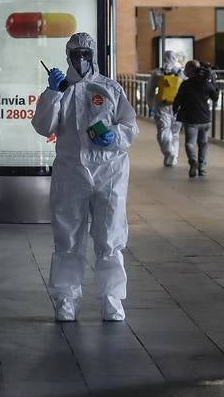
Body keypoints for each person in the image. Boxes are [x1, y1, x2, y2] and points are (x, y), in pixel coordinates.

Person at [31, 32, 138, 322]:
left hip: (110, 171)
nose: (81, 59)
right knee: (67, 238)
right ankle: (66, 298)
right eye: (76, 54)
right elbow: (43, 126)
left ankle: (111, 298)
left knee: (110, 236)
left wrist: (114, 136)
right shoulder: (60, 91)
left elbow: (130, 125)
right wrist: (52, 94)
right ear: (68, 57)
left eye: (86, 54)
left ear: (94, 57)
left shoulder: (111, 88)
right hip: (71, 171)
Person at [173, 60, 219, 178]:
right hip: (205, 119)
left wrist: (175, 110)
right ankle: (202, 167)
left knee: (190, 144)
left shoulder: (186, 84)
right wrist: (213, 82)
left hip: (190, 120)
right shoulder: (206, 83)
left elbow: (178, 100)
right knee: (203, 143)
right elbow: (215, 97)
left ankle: (193, 162)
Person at [151, 51, 185, 166]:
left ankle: (169, 153)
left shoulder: (158, 72)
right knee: (175, 134)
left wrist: (150, 105)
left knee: (163, 131)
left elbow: (149, 91)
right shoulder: (181, 73)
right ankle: (173, 156)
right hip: (178, 106)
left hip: (161, 105)